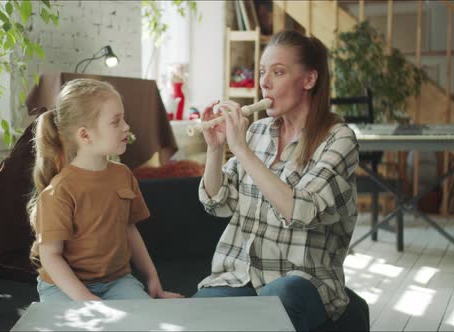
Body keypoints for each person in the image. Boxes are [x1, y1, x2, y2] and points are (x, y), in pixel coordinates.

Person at [193, 30, 359, 331]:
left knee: (276, 301)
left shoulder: (338, 139)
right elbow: (218, 203)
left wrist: (241, 150)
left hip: (302, 280)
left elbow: (302, 211)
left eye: (278, 72)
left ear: (309, 80)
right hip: (238, 275)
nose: (264, 83)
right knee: (196, 317)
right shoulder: (258, 132)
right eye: (261, 72)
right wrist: (215, 150)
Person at [27, 78, 182, 302]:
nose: (126, 127)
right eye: (116, 121)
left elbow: (130, 230)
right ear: (85, 135)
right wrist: (88, 300)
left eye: (124, 119)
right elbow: (50, 256)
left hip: (117, 282)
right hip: (63, 287)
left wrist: (152, 279)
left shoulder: (123, 175)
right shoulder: (59, 191)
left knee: (145, 321)